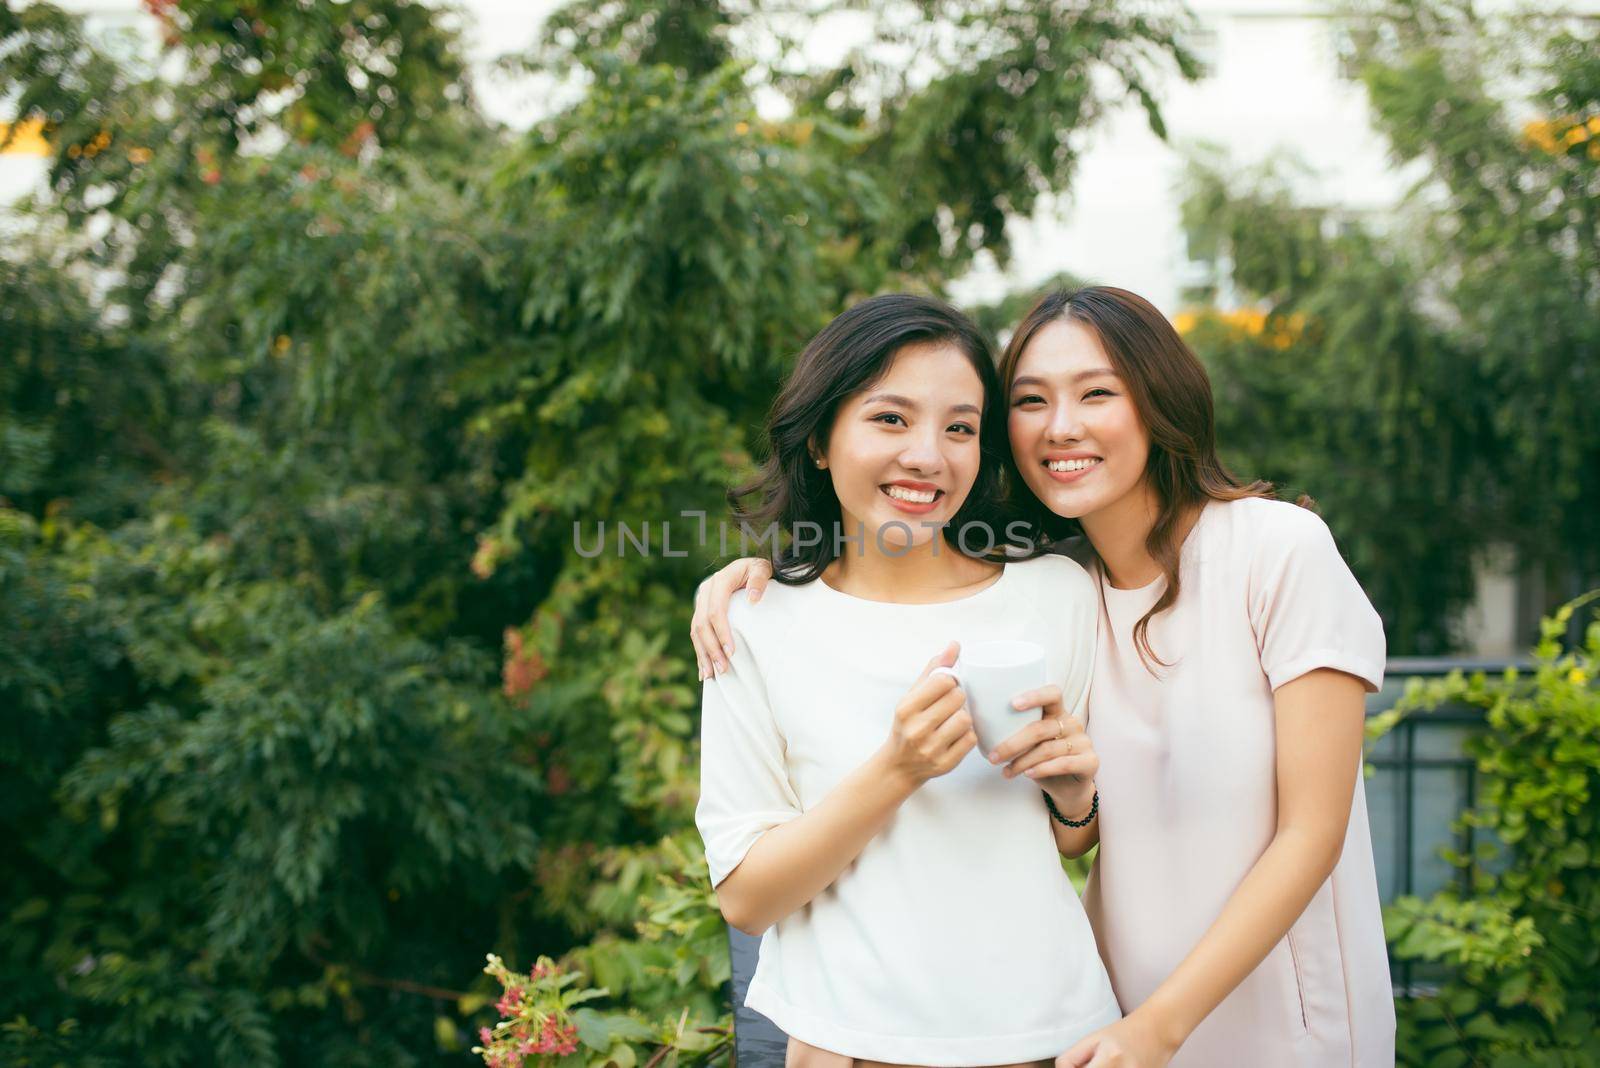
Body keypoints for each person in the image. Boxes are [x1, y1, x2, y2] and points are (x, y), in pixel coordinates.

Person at [691, 286, 1394, 1068]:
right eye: (1030, 401)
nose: (1062, 426)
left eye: (1097, 393)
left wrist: (1153, 1021)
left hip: (1233, 1023)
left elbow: (1297, 832)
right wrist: (763, 585)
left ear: (1161, 400)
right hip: (1075, 1025)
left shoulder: (1214, 562)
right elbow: (1079, 821)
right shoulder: (1066, 587)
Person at [695, 293, 1121, 1068]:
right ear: (821, 439)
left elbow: (1078, 836)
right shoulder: (753, 624)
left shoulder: (1059, 595)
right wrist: (897, 769)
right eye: (890, 418)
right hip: (849, 1047)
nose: (929, 455)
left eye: (960, 427)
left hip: (1047, 1037)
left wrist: (1074, 794)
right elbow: (747, 898)